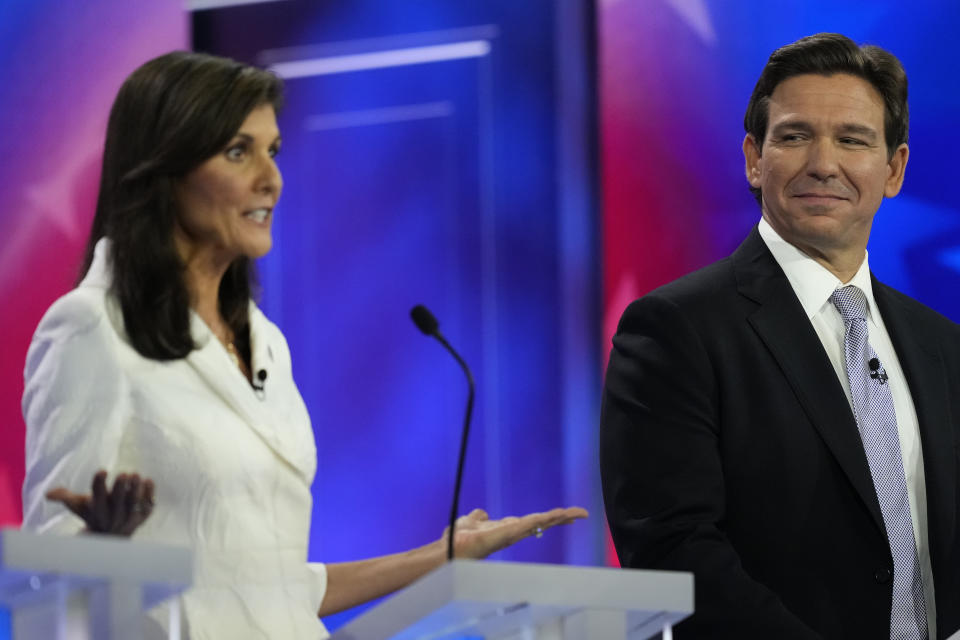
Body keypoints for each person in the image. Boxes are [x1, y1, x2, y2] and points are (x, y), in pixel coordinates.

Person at [21, 51, 587, 639]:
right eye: (238, 152)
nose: (271, 178)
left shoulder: (265, 342)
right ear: (165, 167)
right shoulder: (91, 329)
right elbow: (46, 586)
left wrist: (443, 555)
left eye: (274, 151)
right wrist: (101, 552)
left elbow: (275, 589)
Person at [600, 33, 960, 639]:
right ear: (753, 158)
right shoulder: (674, 329)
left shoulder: (942, 344)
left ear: (894, 168)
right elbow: (673, 550)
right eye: (795, 136)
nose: (824, 163)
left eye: (852, 139)